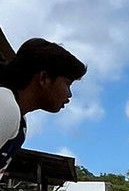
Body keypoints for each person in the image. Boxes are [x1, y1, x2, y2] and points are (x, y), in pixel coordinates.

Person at [0, 33, 87, 178]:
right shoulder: (5, 105)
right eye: (67, 84)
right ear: (44, 79)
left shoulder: (20, 121)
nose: (69, 94)